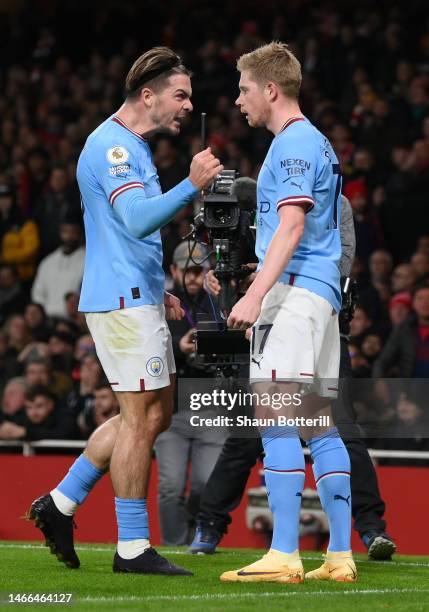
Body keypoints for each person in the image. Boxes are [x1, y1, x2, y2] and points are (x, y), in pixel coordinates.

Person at [29, 46, 222, 576]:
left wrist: (157, 285)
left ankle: (61, 503)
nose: (187, 106)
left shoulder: (132, 145)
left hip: (137, 295)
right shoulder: (113, 147)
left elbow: (123, 236)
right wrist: (192, 184)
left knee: (156, 413)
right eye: (180, 95)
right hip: (119, 303)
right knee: (140, 420)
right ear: (148, 95)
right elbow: (137, 221)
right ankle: (132, 547)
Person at [190, 195, 396, 562]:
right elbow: (226, 261)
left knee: (337, 428)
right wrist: (220, 274)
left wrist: (270, 277)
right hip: (260, 325)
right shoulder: (257, 205)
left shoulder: (335, 204)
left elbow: (341, 262)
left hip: (309, 322)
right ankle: (210, 524)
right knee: (249, 435)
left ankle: (369, 528)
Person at [220, 42, 355, 583]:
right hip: (317, 293)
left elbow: (294, 225)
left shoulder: (293, 144)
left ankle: (282, 553)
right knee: (318, 422)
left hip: (297, 297)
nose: (237, 100)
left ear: (270, 90)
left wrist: (255, 296)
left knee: (276, 415)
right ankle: (340, 556)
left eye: (245, 90)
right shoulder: (315, 142)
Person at [155, 241, 227, 545]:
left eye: (199, 271)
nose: (194, 278)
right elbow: (148, 349)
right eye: (188, 271)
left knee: (205, 483)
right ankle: (174, 546)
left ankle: (200, 538)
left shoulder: (223, 301)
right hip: (173, 408)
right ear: (173, 271)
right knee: (170, 486)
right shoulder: (159, 305)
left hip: (213, 405)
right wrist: (179, 349)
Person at [31, 215, 85, 318]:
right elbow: (37, 293)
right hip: (48, 319)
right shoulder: (47, 262)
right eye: (65, 231)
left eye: (73, 232)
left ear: (80, 234)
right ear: (60, 233)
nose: (69, 236)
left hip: (76, 320)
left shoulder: (89, 261)